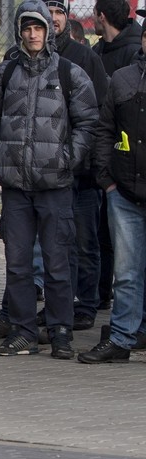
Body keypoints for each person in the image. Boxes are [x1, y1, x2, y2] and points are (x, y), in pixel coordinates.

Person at [0, 0, 111, 341]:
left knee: (58, 262)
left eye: (38, 28)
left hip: (56, 185)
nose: (33, 34)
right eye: (27, 28)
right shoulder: (4, 73)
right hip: (16, 186)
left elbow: (88, 123)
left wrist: (69, 158)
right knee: (18, 264)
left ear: (48, 30)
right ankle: (22, 331)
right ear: (20, 31)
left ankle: (60, 330)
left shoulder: (70, 73)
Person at [83, 21, 146, 363]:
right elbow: (104, 129)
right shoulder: (122, 79)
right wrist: (107, 178)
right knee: (127, 272)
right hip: (123, 192)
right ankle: (121, 338)